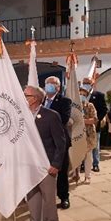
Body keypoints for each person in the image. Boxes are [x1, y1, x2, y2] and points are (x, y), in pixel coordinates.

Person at [22, 86, 66, 221]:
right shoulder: (22, 116)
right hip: (27, 164)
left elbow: (61, 143)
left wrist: (56, 164)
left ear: (34, 98)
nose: (23, 96)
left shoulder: (50, 115)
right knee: (32, 195)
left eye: (25, 94)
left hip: (47, 165)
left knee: (49, 198)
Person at [44, 76, 72, 209]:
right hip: (43, 142)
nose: (50, 85)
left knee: (61, 171)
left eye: (53, 83)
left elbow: (64, 120)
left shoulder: (65, 101)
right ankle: (45, 197)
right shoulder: (41, 100)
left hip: (59, 141)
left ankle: (64, 197)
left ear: (58, 87)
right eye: (47, 83)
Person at [73, 85, 98, 184]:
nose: (81, 95)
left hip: (88, 133)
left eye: (84, 94)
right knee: (77, 155)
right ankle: (76, 174)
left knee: (88, 155)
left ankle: (88, 176)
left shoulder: (90, 105)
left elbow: (94, 120)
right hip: (76, 133)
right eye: (80, 94)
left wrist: (82, 121)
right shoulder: (73, 106)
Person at [82, 77, 107, 172]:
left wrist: (96, 120)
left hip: (94, 124)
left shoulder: (99, 95)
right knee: (83, 145)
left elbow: (104, 110)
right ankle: (83, 165)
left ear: (92, 84)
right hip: (82, 125)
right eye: (84, 82)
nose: (86, 84)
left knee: (95, 145)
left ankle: (95, 164)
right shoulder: (80, 94)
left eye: (88, 82)